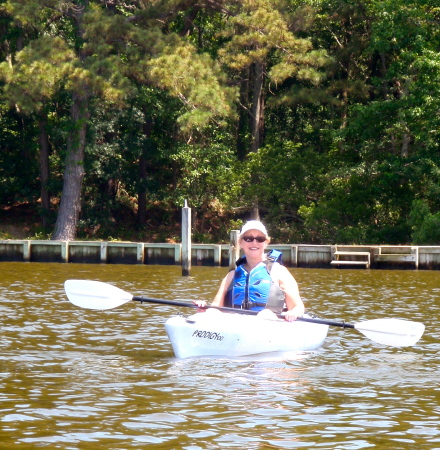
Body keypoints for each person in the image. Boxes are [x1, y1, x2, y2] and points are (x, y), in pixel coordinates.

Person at [193, 220, 305, 322]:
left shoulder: (280, 272)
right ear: (241, 243)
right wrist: (205, 308)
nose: (254, 243)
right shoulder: (231, 276)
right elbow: (216, 307)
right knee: (211, 313)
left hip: (270, 326)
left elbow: (298, 307)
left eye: (260, 239)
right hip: (236, 324)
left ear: (266, 243)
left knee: (265, 314)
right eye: (248, 239)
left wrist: (293, 313)